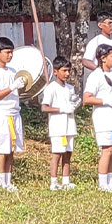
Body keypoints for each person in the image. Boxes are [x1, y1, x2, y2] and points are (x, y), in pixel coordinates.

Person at [83, 44, 112, 192]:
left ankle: (110, 181)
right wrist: (105, 101)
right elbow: (87, 98)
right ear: (103, 58)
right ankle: (102, 184)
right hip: (104, 120)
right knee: (106, 150)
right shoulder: (96, 76)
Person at [0, 36, 25, 192]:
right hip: (0, 115)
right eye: (7, 52)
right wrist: (12, 87)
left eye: (11, 52)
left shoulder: (12, 71)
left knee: (10, 149)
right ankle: (0, 183)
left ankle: (8, 181)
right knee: (1, 149)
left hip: (14, 113)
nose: (10, 55)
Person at [40, 55, 79, 191]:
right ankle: (54, 181)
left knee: (68, 153)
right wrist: (61, 109)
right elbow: (44, 107)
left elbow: (72, 103)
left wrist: (75, 104)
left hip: (70, 125)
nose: (67, 74)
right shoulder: (51, 88)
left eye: (68, 70)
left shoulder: (70, 88)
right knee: (57, 154)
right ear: (56, 72)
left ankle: (66, 181)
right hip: (58, 127)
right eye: (64, 71)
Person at [82, 12, 112, 77]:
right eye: (109, 23)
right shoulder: (96, 42)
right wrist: (101, 70)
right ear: (100, 25)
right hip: (105, 80)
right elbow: (85, 61)